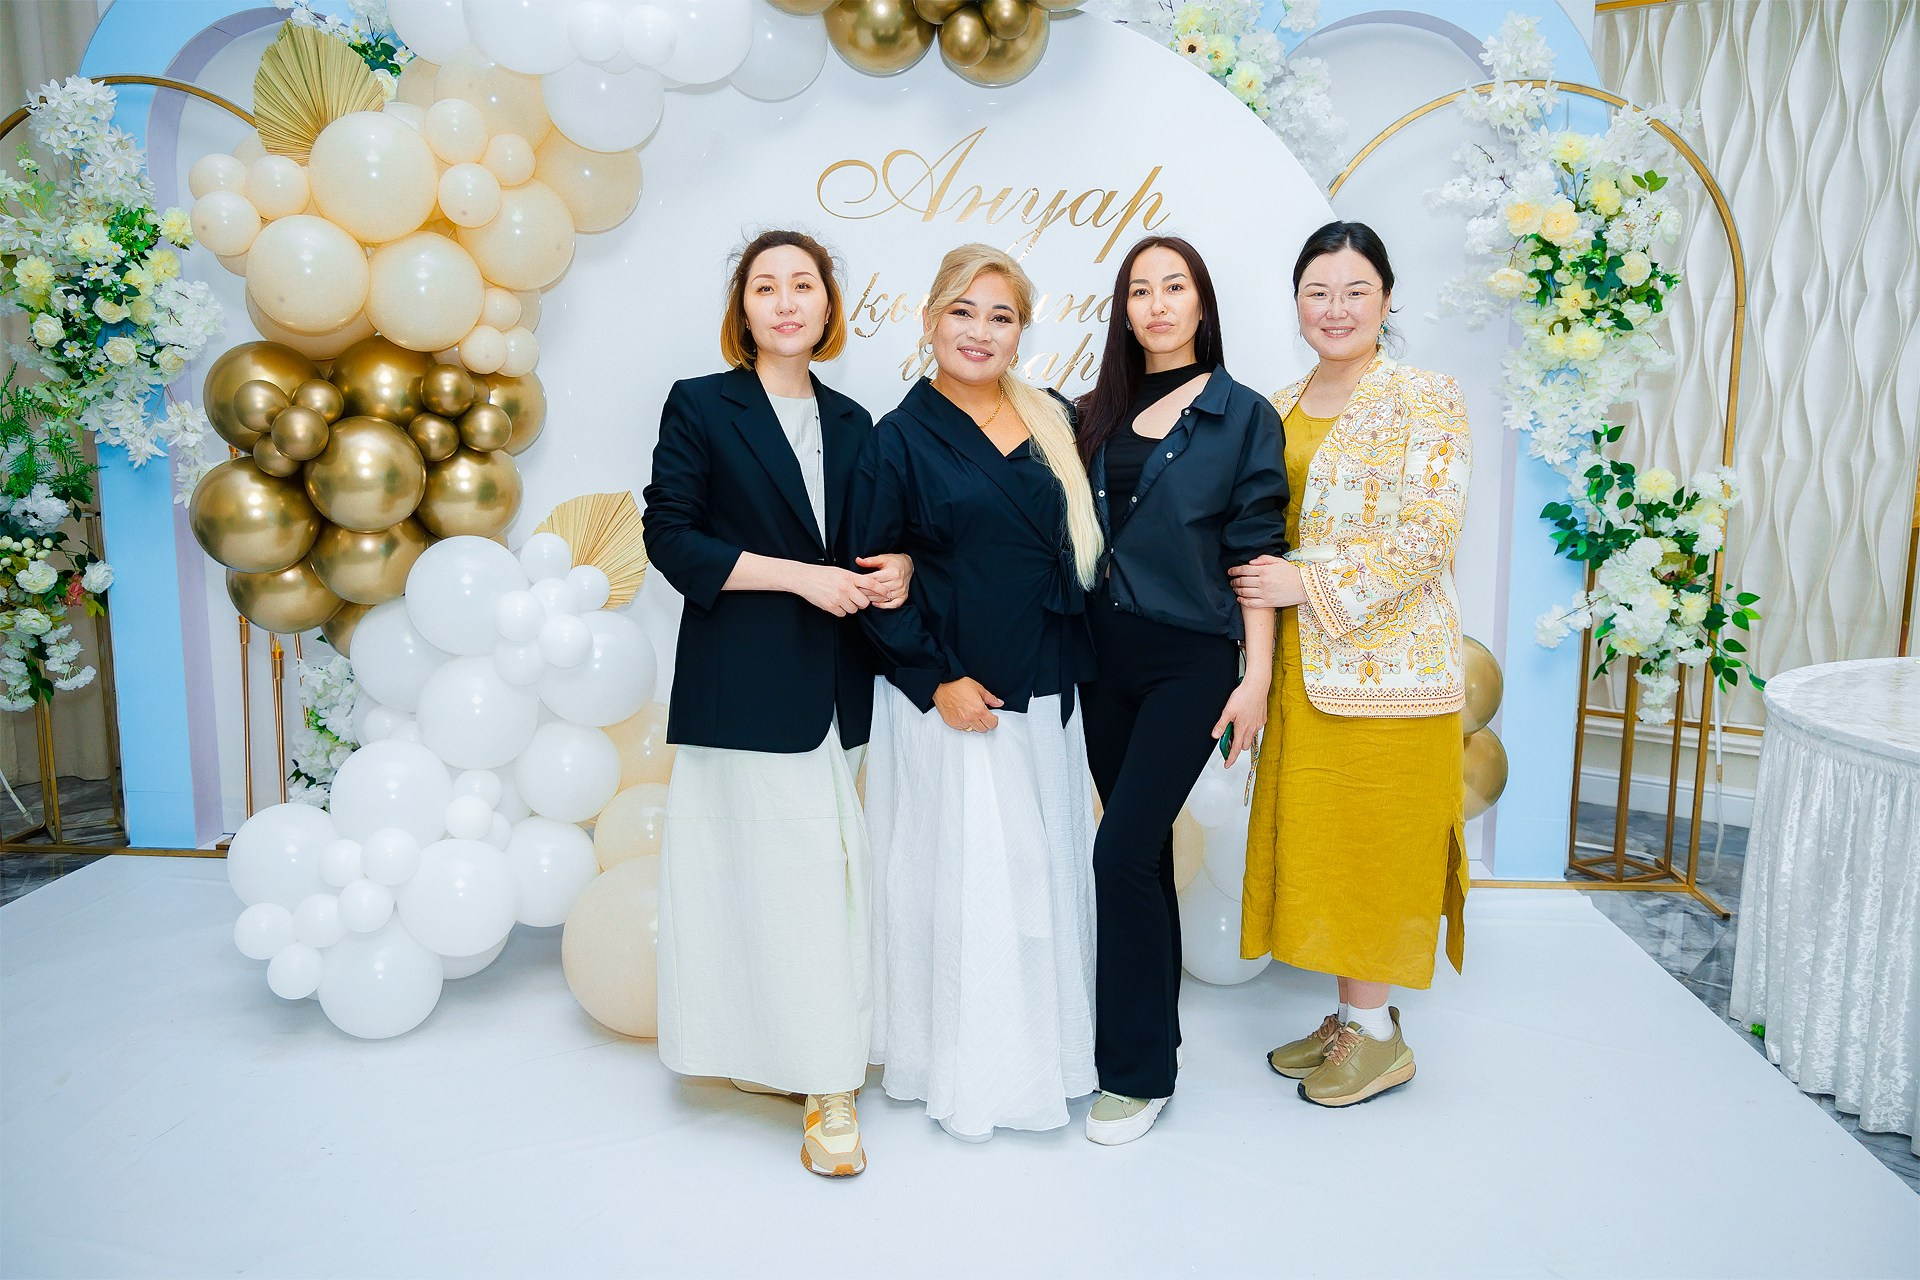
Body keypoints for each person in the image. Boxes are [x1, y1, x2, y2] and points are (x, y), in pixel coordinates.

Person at [642, 229, 911, 1178]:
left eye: (804, 285)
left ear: (829, 305)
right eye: (766, 286)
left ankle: (820, 1066)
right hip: (741, 687)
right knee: (754, 886)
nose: (787, 301)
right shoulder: (700, 405)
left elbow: (877, 542)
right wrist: (800, 576)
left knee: (820, 888)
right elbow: (670, 538)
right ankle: (816, 1081)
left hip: (839, 690)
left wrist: (898, 567)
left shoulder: (857, 422)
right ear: (743, 309)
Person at [846, 243, 1105, 1142]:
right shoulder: (896, 437)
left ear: (1022, 332)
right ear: (929, 322)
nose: (980, 331)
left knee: (1040, 885)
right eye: (963, 311)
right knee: (975, 892)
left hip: (1048, 688)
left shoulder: (1054, 418)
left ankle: (1049, 1060)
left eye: (1001, 316)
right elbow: (875, 580)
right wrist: (936, 682)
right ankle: (969, 1072)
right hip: (957, 700)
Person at [1229, 220, 1473, 1108]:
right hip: (1300, 667)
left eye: (1355, 291)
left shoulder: (1425, 397)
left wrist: (1308, 581)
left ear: (1388, 298)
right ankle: (1351, 1019)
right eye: (1318, 292)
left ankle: (1378, 1038)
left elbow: (1429, 535)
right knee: (1326, 847)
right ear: (1297, 302)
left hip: (1392, 674)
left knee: (1374, 848)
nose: (1336, 309)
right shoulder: (1277, 404)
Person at [1073, 235, 1288, 1145]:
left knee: (1118, 852)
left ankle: (1134, 1077)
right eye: (1140, 290)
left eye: (1175, 286)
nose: (1158, 304)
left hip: (1189, 663)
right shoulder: (1090, 413)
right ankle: (1154, 1039)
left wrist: (1256, 679)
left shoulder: (1243, 416)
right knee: (1145, 855)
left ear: (1202, 302)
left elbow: (1256, 556)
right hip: (1100, 661)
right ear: (1124, 311)